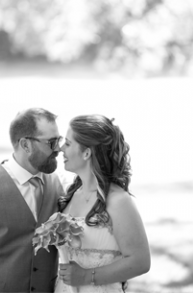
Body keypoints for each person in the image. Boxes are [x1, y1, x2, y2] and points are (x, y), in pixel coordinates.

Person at [55, 115, 150, 292]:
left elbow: (140, 261)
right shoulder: (70, 195)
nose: (61, 149)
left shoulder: (118, 201)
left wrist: (86, 276)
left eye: (67, 144)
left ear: (86, 153)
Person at [0, 108, 66, 293]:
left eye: (59, 140)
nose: (58, 148)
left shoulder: (60, 184)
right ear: (26, 145)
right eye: (51, 142)